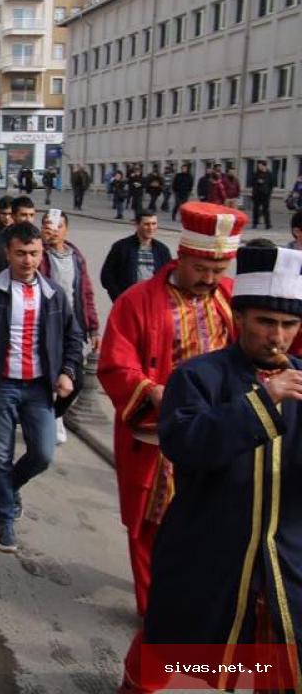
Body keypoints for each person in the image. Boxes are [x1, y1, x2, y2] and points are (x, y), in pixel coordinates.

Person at [119, 242, 295, 694]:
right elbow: (187, 444)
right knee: (174, 646)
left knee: (276, 663)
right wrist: (263, 402)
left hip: (283, 560)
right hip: (207, 548)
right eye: (265, 322)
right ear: (240, 319)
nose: (277, 337)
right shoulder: (198, 376)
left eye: (289, 325)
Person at [98, 202, 244, 620]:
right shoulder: (137, 302)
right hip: (160, 437)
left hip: (215, 435)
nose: (210, 279)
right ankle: (156, 614)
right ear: (181, 257)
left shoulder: (230, 299)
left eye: (218, 270)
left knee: (210, 524)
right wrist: (153, 392)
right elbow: (116, 365)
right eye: (201, 269)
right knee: (151, 528)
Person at [0, 221, 83, 553]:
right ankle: (5, 518)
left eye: (34, 253)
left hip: (39, 389)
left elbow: (73, 338)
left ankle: (8, 487)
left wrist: (68, 372)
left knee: (43, 453)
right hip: (1, 387)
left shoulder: (53, 294)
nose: (28, 261)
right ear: (7, 253)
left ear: (42, 254)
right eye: (21, 253)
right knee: (0, 455)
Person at [38, 209, 100, 443]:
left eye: (58, 226)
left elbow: (86, 292)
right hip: (45, 325)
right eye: (48, 225)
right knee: (46, 375)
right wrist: (40, 245)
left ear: (66, 229)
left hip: (72, 326)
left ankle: (54, 414)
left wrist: (93, 327)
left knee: (77, 379)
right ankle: (45, 419)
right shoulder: (38, 254)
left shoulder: (76, 257)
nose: (53, 230)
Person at [99, 211, 173, 302]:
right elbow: (106, 276)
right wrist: (119, 298)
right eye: (146, 224)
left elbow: (169, 278)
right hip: (128, 301)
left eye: (154, 224)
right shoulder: (121, 247)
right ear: (137, 225)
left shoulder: (162, 250)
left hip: (153, 302)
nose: (151, 228)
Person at [250, 158, 274, 229]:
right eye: (258, 166)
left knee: (266, 210)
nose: (259, 167)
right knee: (255, 210)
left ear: (264, 166)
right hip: (257, 194)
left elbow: (271, 184)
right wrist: (257, 181)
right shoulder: (256, 173)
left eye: (260, 166)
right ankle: (255, 223)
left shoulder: (269, 174)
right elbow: (252, 183)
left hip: (265, 195)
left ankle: (268, 224)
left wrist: (269, 193)